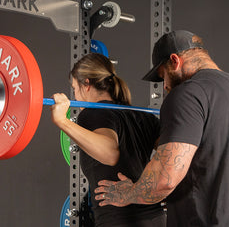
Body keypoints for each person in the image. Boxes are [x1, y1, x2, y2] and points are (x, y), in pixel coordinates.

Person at [94, 30, 229, 226]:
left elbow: (164, 180)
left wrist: (128, 193)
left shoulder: (187, 94)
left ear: (175, 61)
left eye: (163, 76)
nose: (164, 86)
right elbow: (223, 166)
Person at [50, 53, 166, 227]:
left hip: (120, 221)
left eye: (75, 88)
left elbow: (110, 153)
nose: (75, 97)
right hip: (157, 219)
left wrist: (62, 121)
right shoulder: (142, 116)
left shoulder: (91, 114)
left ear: (86, 84)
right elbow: (178, 159)